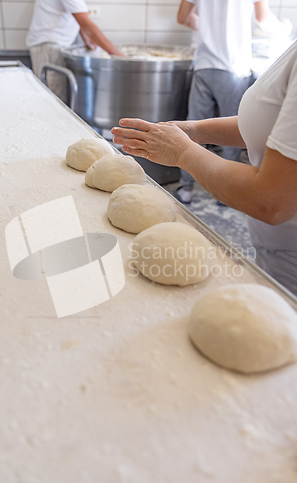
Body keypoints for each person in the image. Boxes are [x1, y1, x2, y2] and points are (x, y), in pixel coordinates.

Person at [111, 39, 297, 295]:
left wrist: (182, 151)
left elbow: (270, 199)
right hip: (277, 257)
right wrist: (194, 131)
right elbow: (274, 125)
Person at [175, 0, 286, 204]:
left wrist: (210, 30)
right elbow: (263, 19)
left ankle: (186, 189)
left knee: (193, 127)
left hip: (203, 65)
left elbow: (182, 17)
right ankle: (224, 196)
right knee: (233, 132)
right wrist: (284, 27)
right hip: (232, 67)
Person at [26, 0, 123, 103]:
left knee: (54, 99)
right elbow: (85, 23)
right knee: (53, 101)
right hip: (49, 48)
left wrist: (85, 36)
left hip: (49, 46)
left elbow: (77, 17)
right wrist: (118, 55)